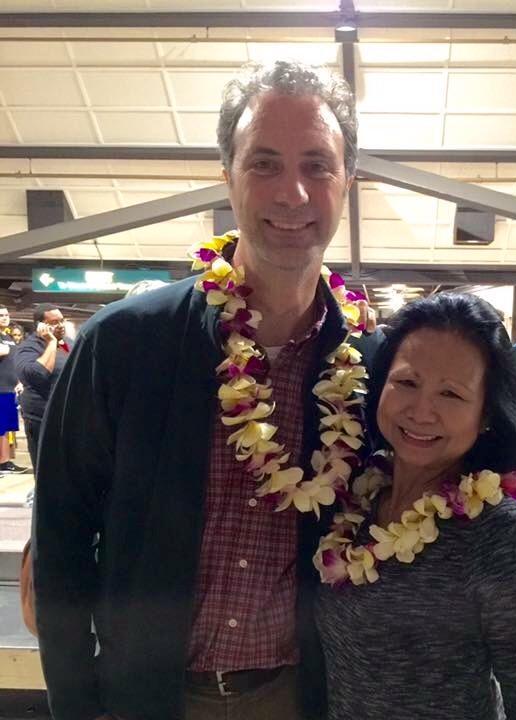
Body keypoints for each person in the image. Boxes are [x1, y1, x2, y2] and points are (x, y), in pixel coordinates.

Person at [33, 61, 378, 720]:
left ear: (347, 183)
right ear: (226, 177)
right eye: (264, 164)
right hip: (148, 698)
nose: (293, 194)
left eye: (317, 166)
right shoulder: (124, 345)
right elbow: (62, 540)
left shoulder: (372, 368)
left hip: (304, 699)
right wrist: (77, 703)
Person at [315, 294, 516, 720]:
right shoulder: (359, 497)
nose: (421, 411)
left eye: (451, 394)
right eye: (407, 383)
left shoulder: (499, 532)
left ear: (486, 414)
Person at [14, 304, 71, 472]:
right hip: (42, 418)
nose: (60, 325)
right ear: (40, 326)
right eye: (54, 322)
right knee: (47, 470)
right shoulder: (28, 348)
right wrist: (51, 342)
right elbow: (37, 375)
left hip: (67, 417)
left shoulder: (69, 344)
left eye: (62, 320)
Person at [0, 306, 27, 475]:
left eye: (6, 315)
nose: (4, 317)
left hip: (10, 389)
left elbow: (12, 361)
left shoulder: (7, 336)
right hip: (0, 389)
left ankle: (5, 461)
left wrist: (19, 381)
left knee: (7, 429)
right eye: (1, 315)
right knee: (0, 428)